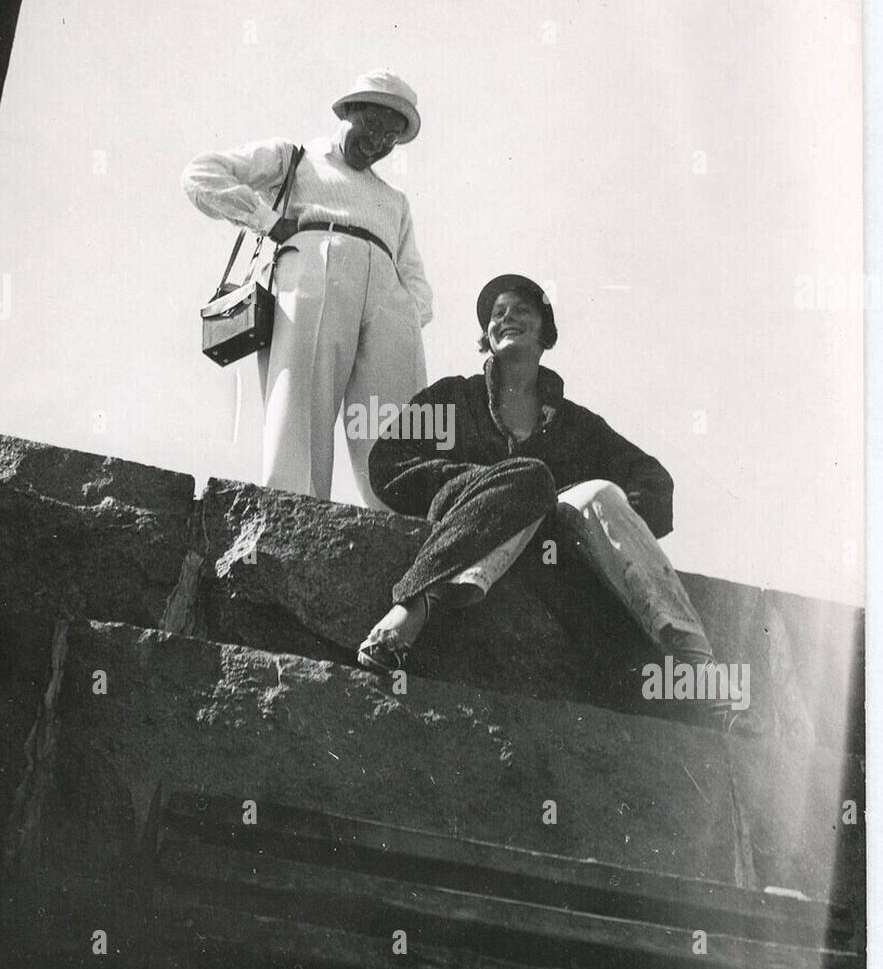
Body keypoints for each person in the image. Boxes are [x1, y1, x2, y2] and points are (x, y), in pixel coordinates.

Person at [358, 273, 725, 720]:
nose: (506, 317)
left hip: (552, 544)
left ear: (544, 332)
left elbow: (653, 481)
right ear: (487, 336)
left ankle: (697, 666)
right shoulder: (454, 399)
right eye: (497, 314)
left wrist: (598, 531)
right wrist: (480, 481)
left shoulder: (577, 425)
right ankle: (410, 610)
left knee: (599, 494)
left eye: (521, 311)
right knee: (530, 478)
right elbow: (386, 462)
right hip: (467, 518)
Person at [182, 70, 432, 507]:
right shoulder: (295, 158)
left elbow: (412, 271)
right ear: (347, 111)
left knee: (393, 416)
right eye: (372, 127)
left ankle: (406, 519)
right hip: (315, 273)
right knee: (302, 400)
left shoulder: (394, 200)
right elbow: (202, 175)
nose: (377, 144)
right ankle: (293, 509)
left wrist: (408, 312)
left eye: (390, 138)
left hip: (388, 299)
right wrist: (268, 221)